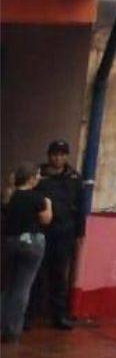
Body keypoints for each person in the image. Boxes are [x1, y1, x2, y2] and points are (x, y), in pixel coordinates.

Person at [32, 140, 85, 330]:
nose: (58, 158)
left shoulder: (74, 177)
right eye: (55, 154)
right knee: (36, 273)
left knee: (59, 275)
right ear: (49, 155)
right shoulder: (38, 175)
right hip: (41, 230)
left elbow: (80, 207)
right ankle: (30, 315)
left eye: (62, 154)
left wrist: (80, 233)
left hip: (64, 233)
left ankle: (59, 315)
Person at [3, 164, 52, 343]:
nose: (39, 178)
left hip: (11, 242)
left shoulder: (9, 196)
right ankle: (12, 331)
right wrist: (49, 204)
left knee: (8, 286)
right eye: (37, 175)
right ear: (31, 178)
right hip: (32, 242)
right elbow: (46, 220)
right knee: (22, 287)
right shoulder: (39, 199)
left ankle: (3, 324)